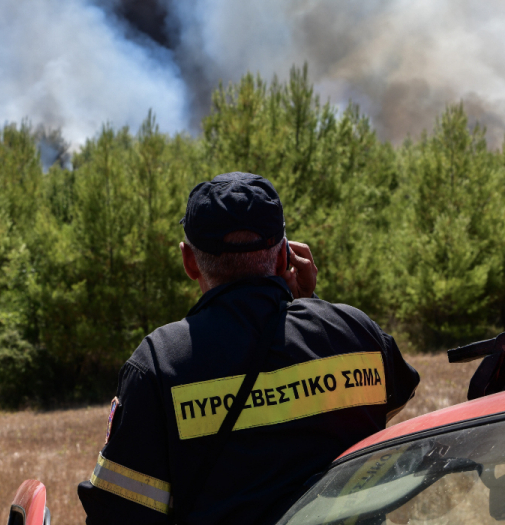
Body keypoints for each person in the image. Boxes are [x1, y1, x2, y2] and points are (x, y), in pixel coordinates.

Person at [77, 172, 420, 524]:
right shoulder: (354, 331)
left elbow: (119, 513)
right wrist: (311, 304)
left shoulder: (158, 363)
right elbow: (389, 404)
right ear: (284, 255)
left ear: (189, 261)